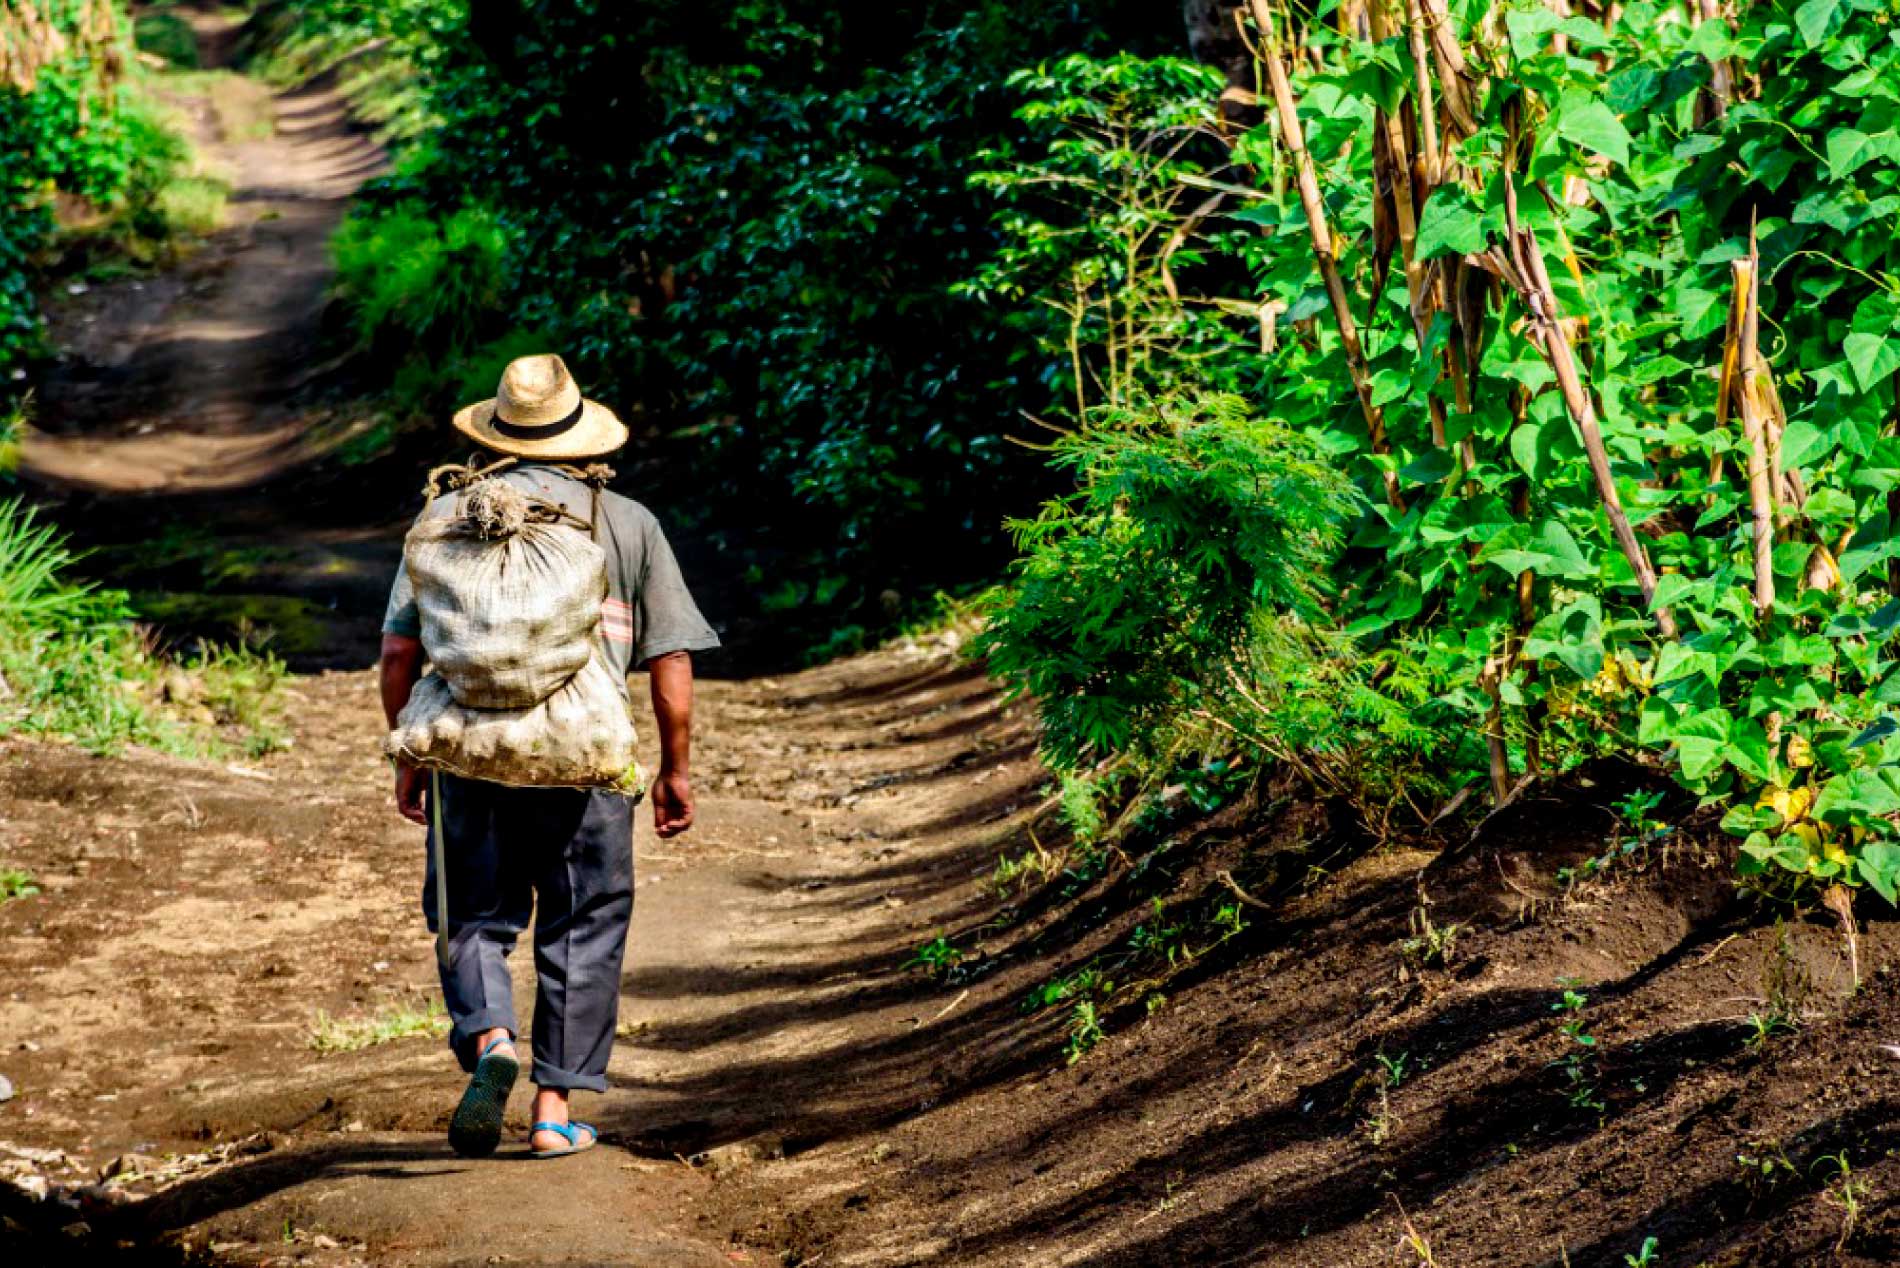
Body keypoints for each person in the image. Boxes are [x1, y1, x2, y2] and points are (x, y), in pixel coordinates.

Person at [378, 354, 719, 1159]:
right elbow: (671, 664)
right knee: (584, 923)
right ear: (578, 431)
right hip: (586, 757)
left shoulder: (448, 516)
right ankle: (553, 1112)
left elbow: (399, 651)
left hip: (470, 750)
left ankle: (492, 1042)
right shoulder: (626, 521)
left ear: (496, 432)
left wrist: (408, 750)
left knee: (473, 915)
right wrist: (675, 769)